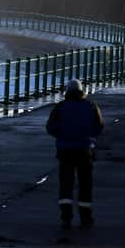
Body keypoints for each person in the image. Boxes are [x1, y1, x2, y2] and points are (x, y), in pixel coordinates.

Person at [46, 79, 104, 229]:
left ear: (67, 91)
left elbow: (51, 128)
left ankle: (66, 217)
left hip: (65, 151)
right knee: (85, 184)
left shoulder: (60, 107)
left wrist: (62, 136)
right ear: (81, 90)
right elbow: (99, 127)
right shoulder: (91, 106)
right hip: (85, 150)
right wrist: (89, 137)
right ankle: (86, 217)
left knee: (66, 183)